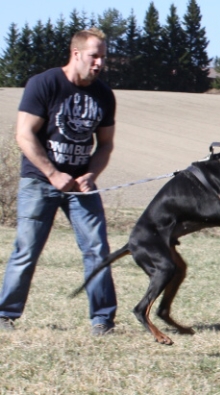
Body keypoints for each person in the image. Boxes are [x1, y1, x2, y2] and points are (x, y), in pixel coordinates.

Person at [0, 27, 117, 335]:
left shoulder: (103, 94)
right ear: (76, 54)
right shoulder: (44, 84)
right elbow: (24, 135)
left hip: (81, 187)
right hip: (39, 182)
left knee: (97, 249)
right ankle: (5, 314)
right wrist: (52, 173)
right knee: (26, 249)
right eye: (94, 56)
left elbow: (105, 144)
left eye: (103, 57)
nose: (99, 64)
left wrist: (91, 174)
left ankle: (102, 319)